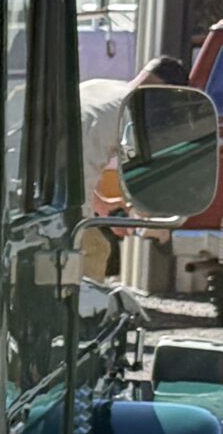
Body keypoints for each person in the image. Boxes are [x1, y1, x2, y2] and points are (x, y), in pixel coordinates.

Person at [78, 55, 188, 279]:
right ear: (167, 91)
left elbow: (78, 156)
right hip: (59, 201)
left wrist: (102, 205)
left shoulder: (100, 86)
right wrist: (155, 226)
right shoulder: (136, 114)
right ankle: (78, 312)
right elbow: (140, 184)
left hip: (24, 177)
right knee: (96, 249)